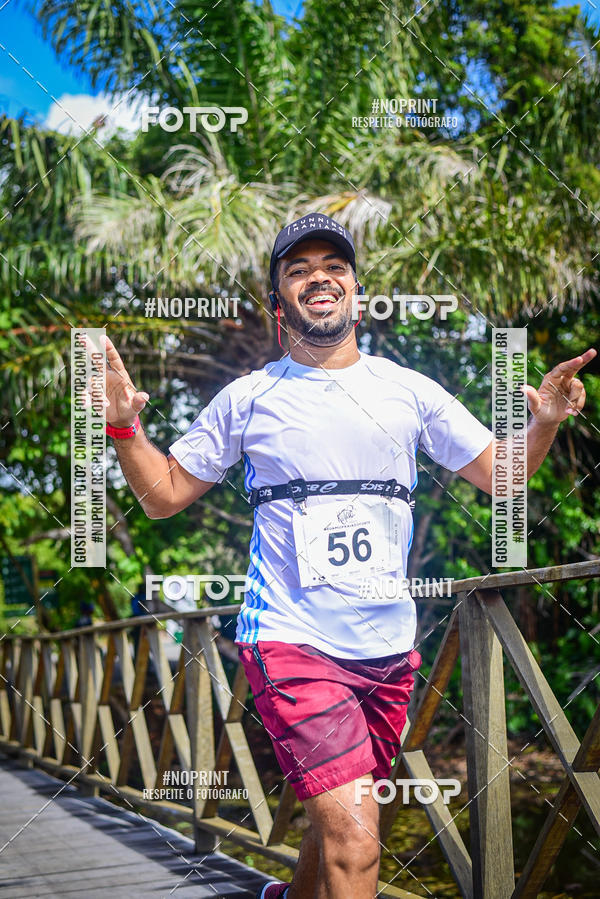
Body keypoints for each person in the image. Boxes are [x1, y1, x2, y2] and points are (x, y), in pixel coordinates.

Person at [98, 213, 595, 899]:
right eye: (297, 270)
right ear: (279, 305)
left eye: (333, 265)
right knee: (357, 842)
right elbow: (163, 495)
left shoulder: (409, 389)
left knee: (338, 835)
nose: (318, 277)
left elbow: (504, 477)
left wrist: (541, 422)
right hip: (290, 641)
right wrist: (124, 426)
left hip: (388, 651)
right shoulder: (249, 397)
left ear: (357, 291)